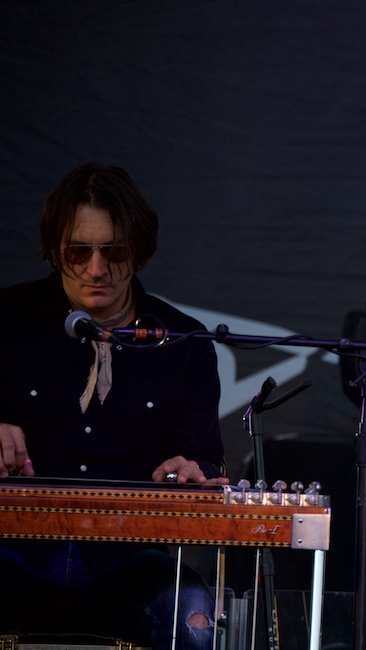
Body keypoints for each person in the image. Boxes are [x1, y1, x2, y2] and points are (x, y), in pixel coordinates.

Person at [0, 162, 229, 648]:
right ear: (53, 250)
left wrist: (191, 468)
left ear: (141, 251)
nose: (96, 269)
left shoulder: (184, 341)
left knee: (190, 611)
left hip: (126, 559)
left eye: (115, 251)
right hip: (13, 551)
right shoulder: (6, 321)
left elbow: (203, 454)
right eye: (77, 252)